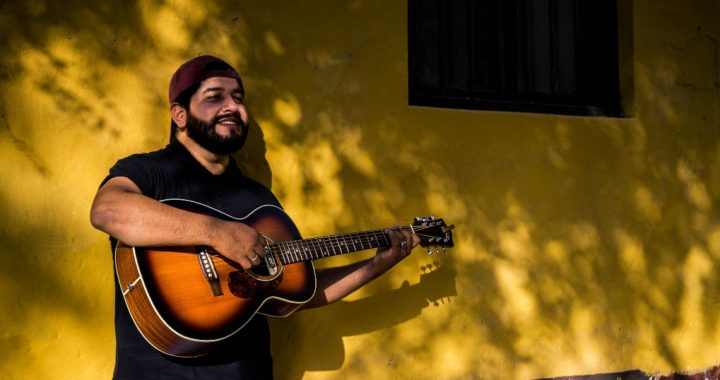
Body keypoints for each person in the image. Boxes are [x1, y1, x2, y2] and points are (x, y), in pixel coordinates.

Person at [90, 55, 419, 379]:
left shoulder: (260, 202)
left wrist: (377, 264)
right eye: (215, 97)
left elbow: (299, 292)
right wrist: (218, 233)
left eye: (238, 98)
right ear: (180, 114)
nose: (233, 107)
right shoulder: (148, 172)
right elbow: (109, 210)